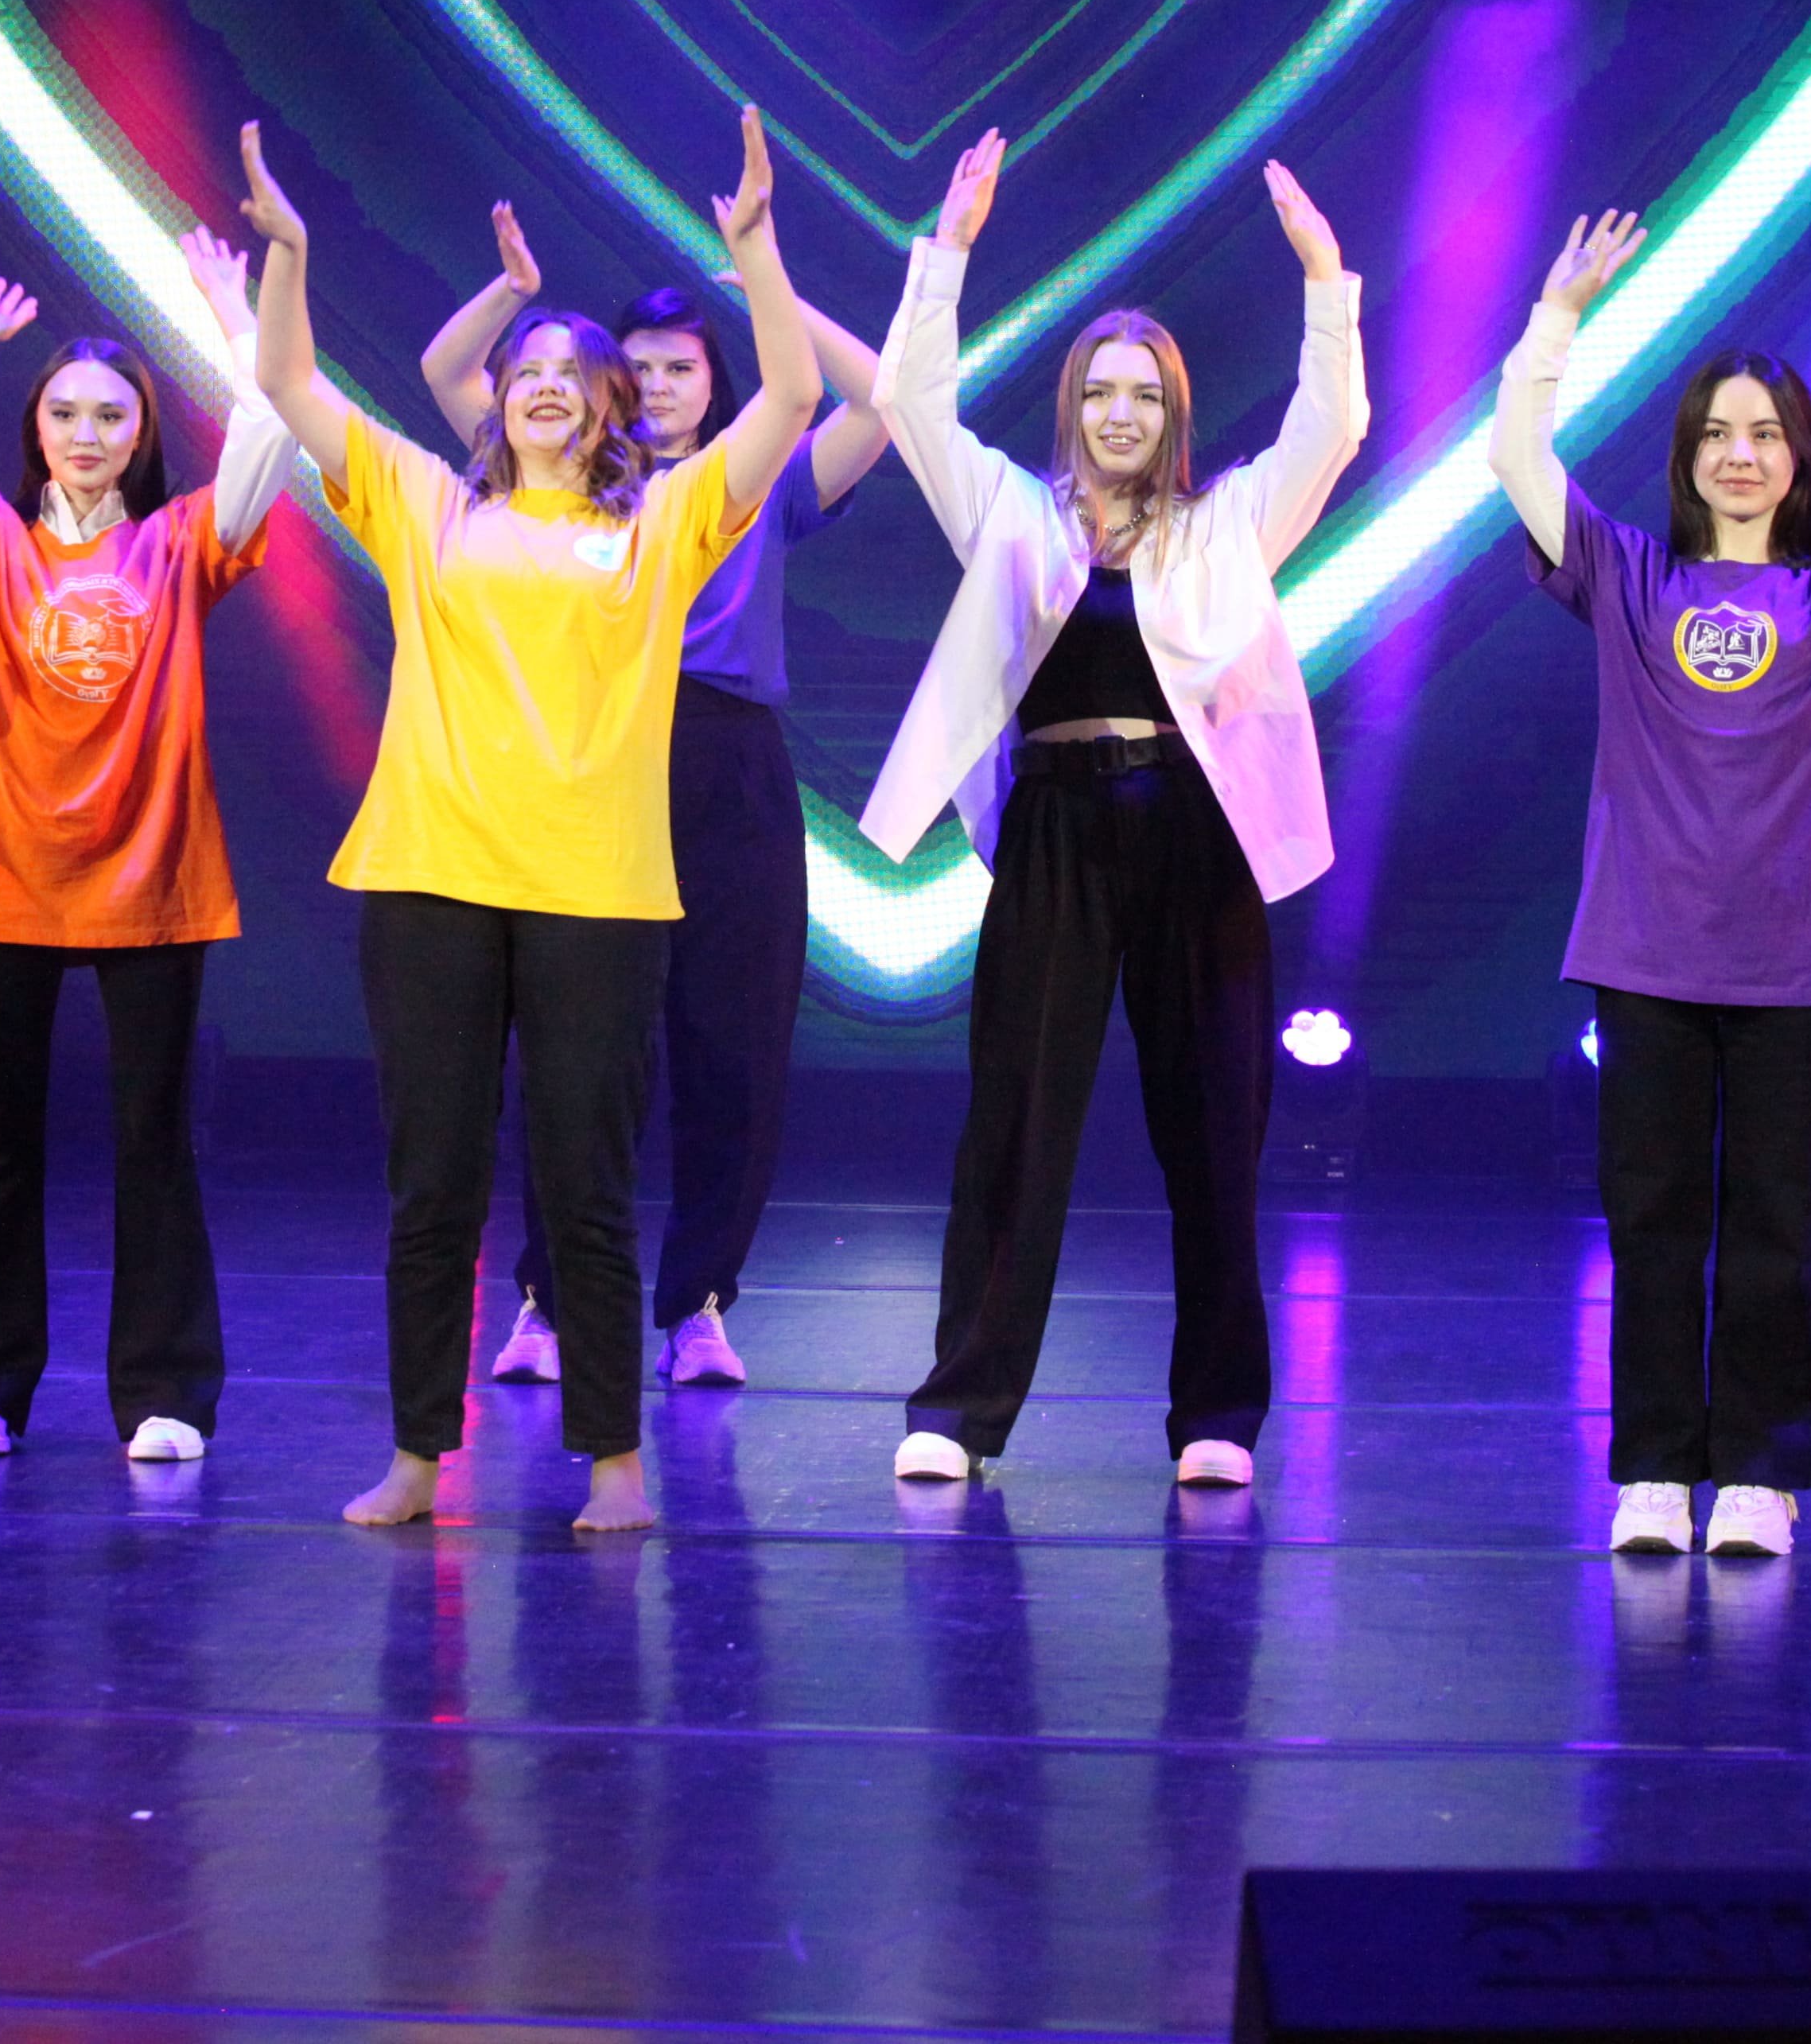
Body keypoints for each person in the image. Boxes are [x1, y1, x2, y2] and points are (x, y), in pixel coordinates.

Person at [236, 111, 817, 1533]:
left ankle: (615, 1464)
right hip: (432, 877)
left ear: (613, 411)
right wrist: (291, 254)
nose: (550, 386)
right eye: (529, 371)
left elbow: (794, 398)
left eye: (577, 374)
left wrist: (755, 250)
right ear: (496, 403)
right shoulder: (426, 503)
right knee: (432, 1186)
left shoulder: (662, 523)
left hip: (598, 894)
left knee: (586, 1186)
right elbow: (288, 380)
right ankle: (417, 1461)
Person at [862, 130, 1365, 1494]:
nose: (1121, 415)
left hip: (1197, 838)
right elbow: (910, 400)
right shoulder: (1011, 516)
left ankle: (1217, 1417)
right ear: (1073, 406)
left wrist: (1324, 279)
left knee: (1213, 1128)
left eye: (1144, 395)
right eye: (1100, 392)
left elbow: (1331, 430)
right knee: (1016, 1122)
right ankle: (961, 1409)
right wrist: (948, 251)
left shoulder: (1226, 525)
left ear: (1174, 413)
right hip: (1058, 834)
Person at [1493, 212, 1811, 1560]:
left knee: (1777, 1228)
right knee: (1650, 1224)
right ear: (1689, 458)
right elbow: (1516, 459)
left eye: (1763, 433)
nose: (1740, 454)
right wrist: (1558, 318)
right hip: (1645, 952)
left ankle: (1759, 1474)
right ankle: (1654, 1469)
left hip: (1798, 964)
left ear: (1798, 455)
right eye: (1716, 434)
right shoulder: (1628, 575)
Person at [418, 211, 894, 1389]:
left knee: (734, 1047)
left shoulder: (757, 477)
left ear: (718, 384)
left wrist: (772, 284)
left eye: (686, 367)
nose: (665, 385)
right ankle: (545, 1301)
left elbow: (881, 402)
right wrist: (510, 288)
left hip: (729, 765)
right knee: (578, 1049)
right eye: (641, 368)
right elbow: (446, 375)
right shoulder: (563, 475)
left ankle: (700, 1306)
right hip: (594, 760)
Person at [0, 230, 291, 1464]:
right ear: (37, 428)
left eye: (112, 414)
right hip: (2, 874)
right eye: (64, 412)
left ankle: (165, 1395)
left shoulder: (182, 543)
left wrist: (230, 310)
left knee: (155, 1140)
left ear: (142, 433)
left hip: (152, 878)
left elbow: (274, 427)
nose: (88, 433)